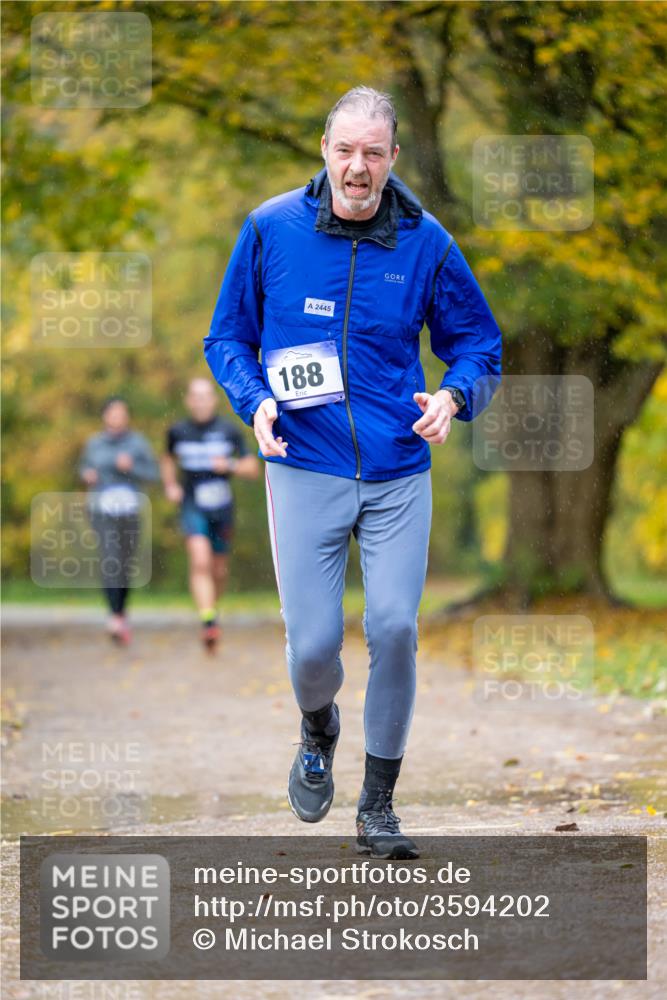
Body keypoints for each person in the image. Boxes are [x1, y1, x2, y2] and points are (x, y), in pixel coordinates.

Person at [204, 86, 502, 858]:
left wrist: (452, 395)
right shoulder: (270, 228)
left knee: (395, 627)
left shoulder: (426, 242)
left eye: (372, 152)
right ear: (324, 151)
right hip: (302, 461)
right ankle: (317, 726)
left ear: (393, 157)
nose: (357, 167)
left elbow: (478, 344)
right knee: (311, 648)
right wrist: (254, 400)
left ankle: (377, 806)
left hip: (398, 465)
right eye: (344, 150)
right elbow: (226, 338)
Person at [162, 377, 259, 649]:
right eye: (196, 396)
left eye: (205, 396)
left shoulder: (228, 430)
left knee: (218, 568)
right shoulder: (178, 431)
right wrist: (170, 485)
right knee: (200, 560)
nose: (201, 402)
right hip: (192, 504)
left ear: (213, 400)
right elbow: (167, 458)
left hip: (222, 507)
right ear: (188, 401)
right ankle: (208, 621)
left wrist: (230, 465)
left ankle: (211, 610)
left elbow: (253, 468)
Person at [79, 397, 159, 645]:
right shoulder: (94, 443)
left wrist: (131, 467)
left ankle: (121, 612)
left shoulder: (138, 443)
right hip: (101, 509)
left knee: (124, 562)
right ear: (105, 416)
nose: (117, 417)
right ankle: (114, 615)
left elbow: (153, 473)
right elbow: (83, 468)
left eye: (122, 413)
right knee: (110, 559)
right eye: (113, 413)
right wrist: (87, 475)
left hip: (130, 509)